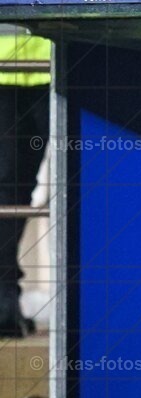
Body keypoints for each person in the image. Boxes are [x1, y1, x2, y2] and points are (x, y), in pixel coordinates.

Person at [0, 28, 50, 336]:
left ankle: (5, 300)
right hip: (5, 67)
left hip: (57, 57)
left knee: (16, 188)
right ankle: (4, 300)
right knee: (7, 186)